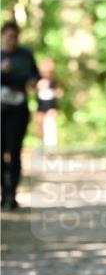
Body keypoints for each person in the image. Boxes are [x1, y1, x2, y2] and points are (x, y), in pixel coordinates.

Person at [1, 21, 39, 210]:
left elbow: (35, 76)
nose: (12, 40)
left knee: (15, 151)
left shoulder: (25, 55)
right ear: (3, 36)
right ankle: (4, 192)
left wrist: (32, 82)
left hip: (18, 109)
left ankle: (12, 194)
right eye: (9, 37)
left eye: (15, 37)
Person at [36, 57, 63, 149]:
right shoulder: (37, 77)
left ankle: (51, 148)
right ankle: (41, 146)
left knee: (50, 125)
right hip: (41, 104)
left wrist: (56, 93)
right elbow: (31, 88)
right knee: (40, 125)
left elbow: (60, 92)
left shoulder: (54, 78)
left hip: (51, 105)